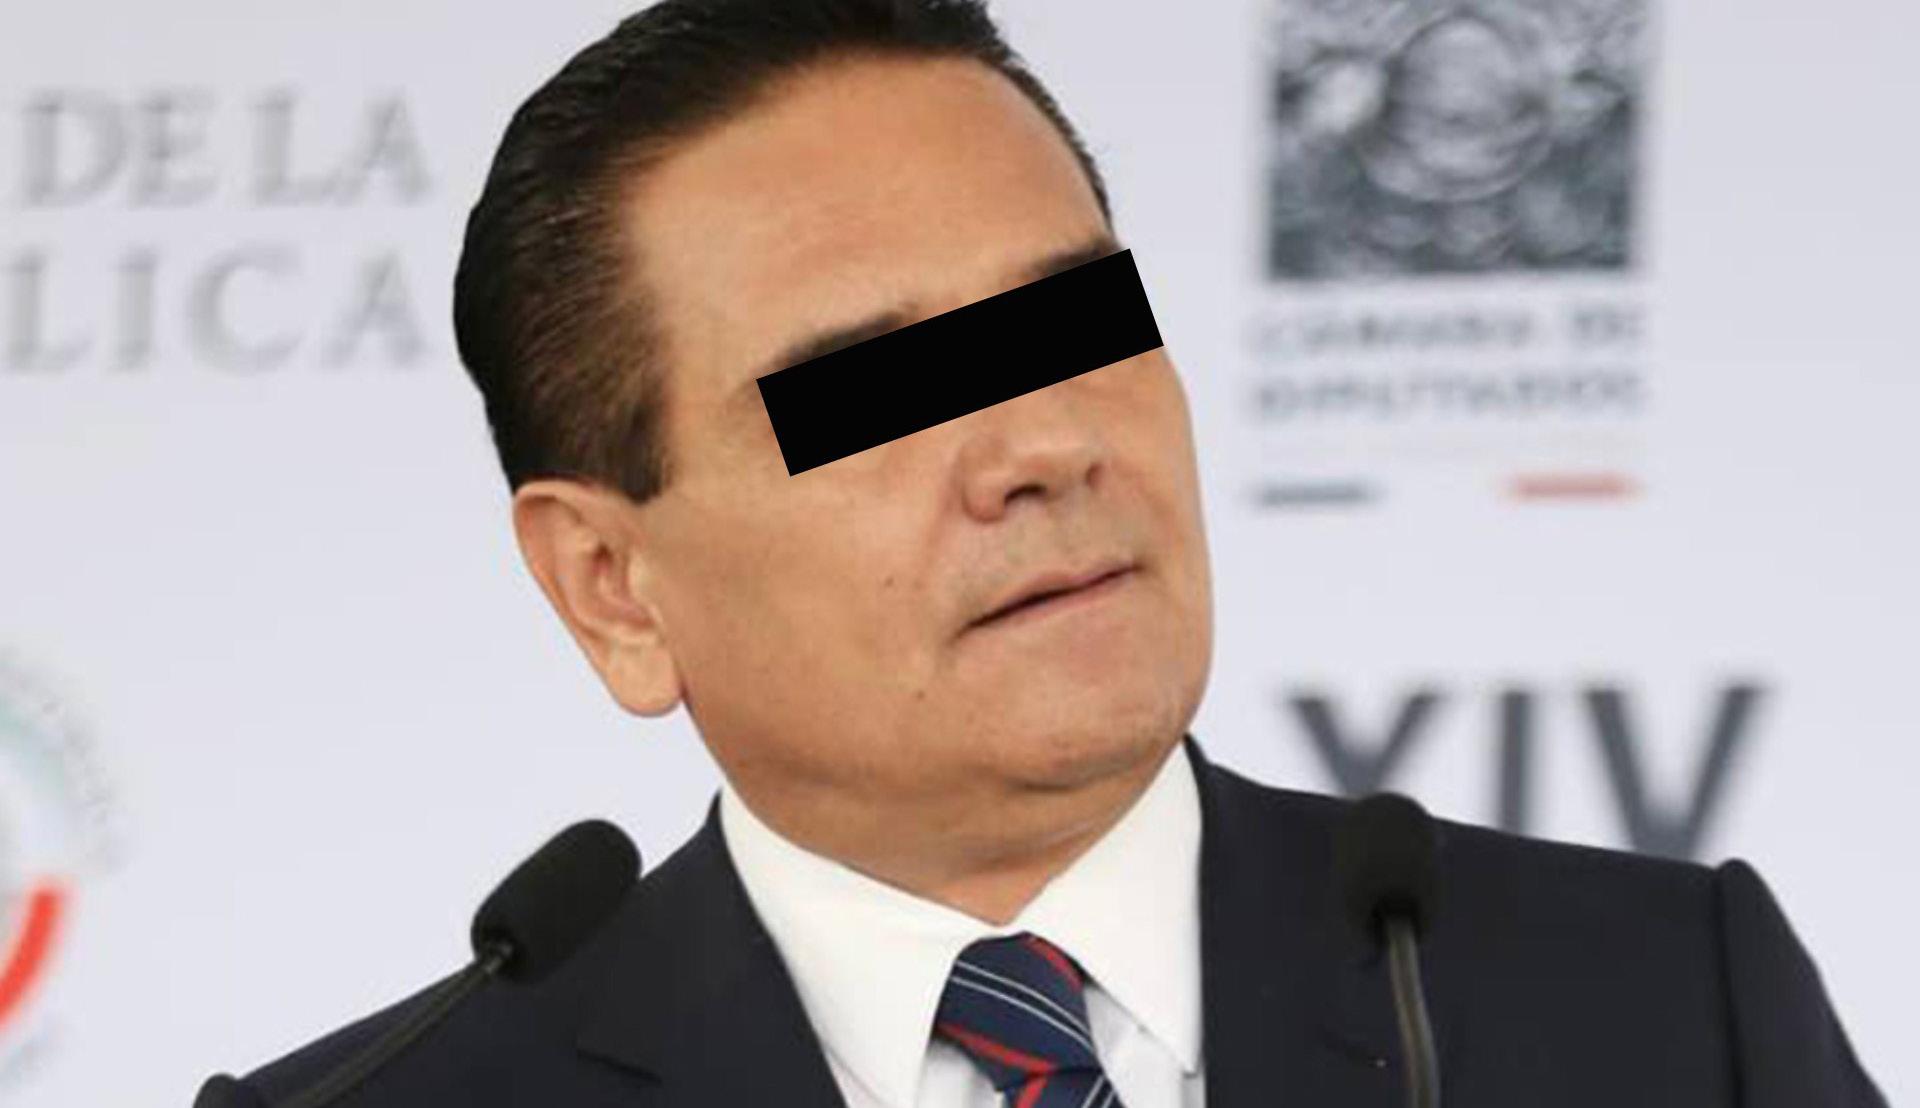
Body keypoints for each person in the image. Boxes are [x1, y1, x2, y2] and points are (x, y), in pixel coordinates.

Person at [196, 1, 1886, 1105]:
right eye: (872, 391)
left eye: (1075, 323)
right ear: (609, 589)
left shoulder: (1664, 1011)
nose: (1043, 446)